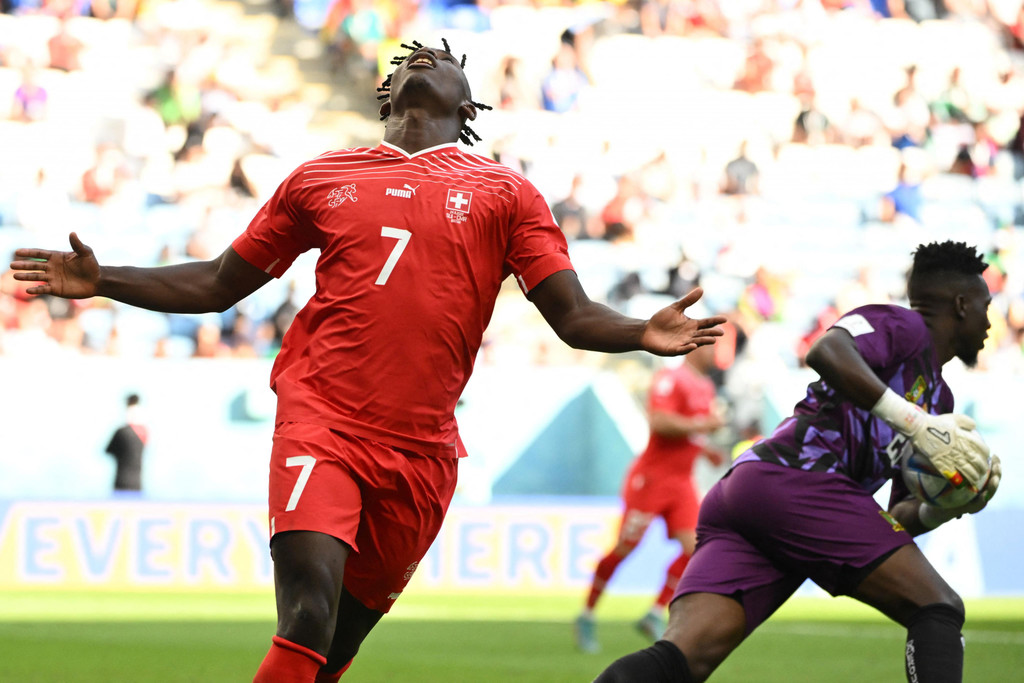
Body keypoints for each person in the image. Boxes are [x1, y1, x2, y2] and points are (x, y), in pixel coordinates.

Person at [10, 40, 726, 683]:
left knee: (331, 651)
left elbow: (572, 316)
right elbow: (219, 282)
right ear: (388, 95)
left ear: (467, 107)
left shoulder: (507, 193)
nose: (423, 57)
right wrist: (105, 280)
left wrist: (639, 330)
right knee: (307, 614)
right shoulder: (321, 177)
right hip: (322, 423)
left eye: (444, 59)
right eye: (410, 57)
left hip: (421, 454)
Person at [593, 240, 1002, 683]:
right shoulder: (902, 325)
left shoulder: (939, 403)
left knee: (685, 658)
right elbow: (827, 351)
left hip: (756, 493)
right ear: (961, 305)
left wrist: (945, 506)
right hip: (799, 481)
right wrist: (914, 422)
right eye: (986, 306)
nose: (989, 322)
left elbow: (893, 521)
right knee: (938, 606)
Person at [575, 343, 726, 654]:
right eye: (711, 347)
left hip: (681, 482)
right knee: (625, 548)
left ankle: (654, 612)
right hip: (652, 480)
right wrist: (703, 425)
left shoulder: (705, 386)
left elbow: (689, 434)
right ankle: (587, 614)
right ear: (696, 349)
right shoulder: (671, 378)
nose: (716, 354)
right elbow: (660, 421)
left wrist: (705, 449)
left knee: (698, 549)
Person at [105, 393, 148, 493]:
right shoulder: (144, 432)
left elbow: (108, 450)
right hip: (137, 483)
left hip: (121, 482)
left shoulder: (121, 432)